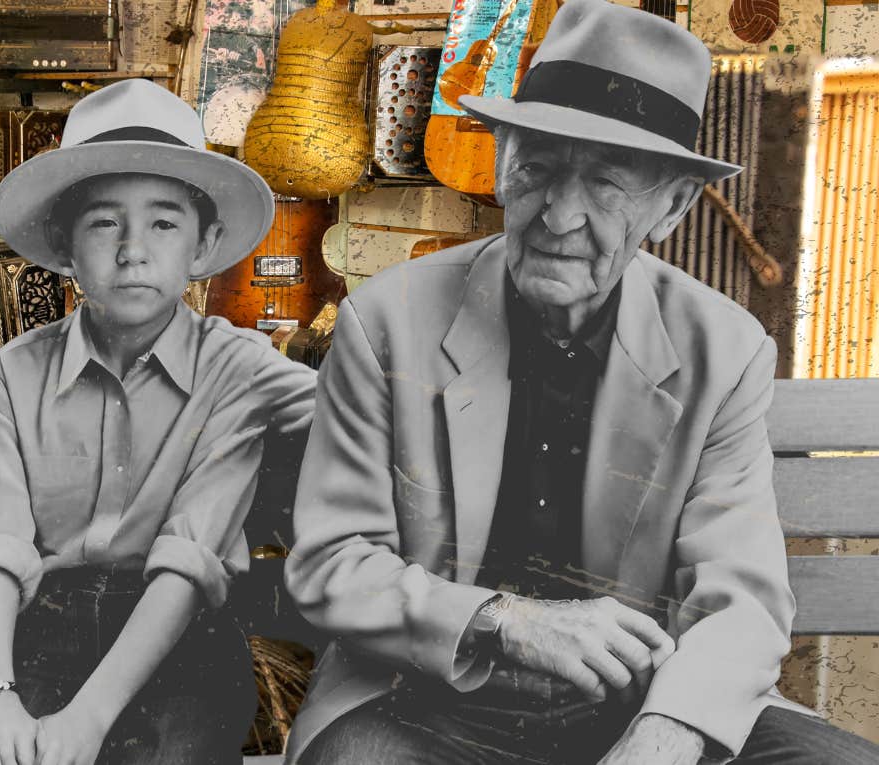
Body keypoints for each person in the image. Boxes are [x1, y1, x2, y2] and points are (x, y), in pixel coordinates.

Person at [282, 1, 879, 763]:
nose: (560, 215)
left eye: (605, 183)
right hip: (432, 692)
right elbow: (334, 564)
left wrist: (666, 736)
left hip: (640, 696)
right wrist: (507, 619)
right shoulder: (386, 322)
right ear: (501, 163)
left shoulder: (723, 351)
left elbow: (741, 597)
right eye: (537, 167)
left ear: (671, 204)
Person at [0, 78, 317, 765]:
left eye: (164, 223)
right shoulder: (15, 373)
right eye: (103, 222)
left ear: (204, 245)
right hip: (43, 625)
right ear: (65, 243)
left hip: (184, 632)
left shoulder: (240, 367)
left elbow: (359, 420)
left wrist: (86, 722)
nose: (132, 250)